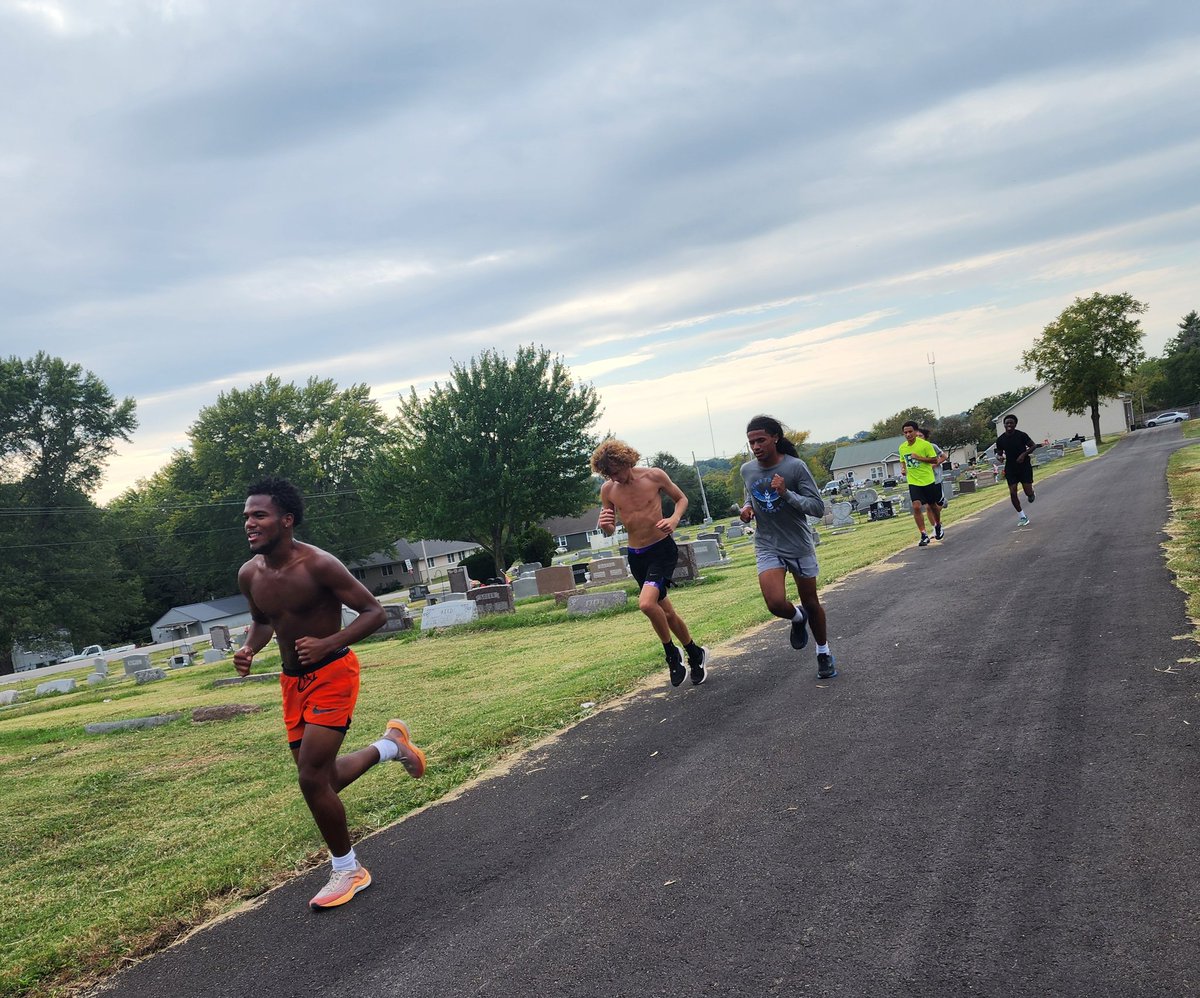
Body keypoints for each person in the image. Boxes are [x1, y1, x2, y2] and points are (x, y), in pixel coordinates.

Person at [234, 477, 427, 911]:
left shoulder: (318, 565)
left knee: (309, 779)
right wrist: (249, 647)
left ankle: (348, 869)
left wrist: (328, 642)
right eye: (246, 516)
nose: (249, 523)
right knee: (326, 779)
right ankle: (391, 746)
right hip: (291, 683)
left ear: (286, 521)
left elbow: (374, 612)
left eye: (258, 515)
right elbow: (264, 622)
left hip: (332, 672)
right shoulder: (249, 574)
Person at [591, 439, 708, 687]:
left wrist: (674, 520)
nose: (614, 477)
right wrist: (605, 526)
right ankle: (695, 652)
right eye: (608, 474)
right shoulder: (608, 490)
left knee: (646, 604)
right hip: (636, 555)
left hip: (661, 549)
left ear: (626, 461)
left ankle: (671, 654)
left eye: (615, 470)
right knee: (665, 611)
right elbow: (610, 529)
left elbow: (681, 499)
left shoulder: (654, 476)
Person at [738, 415, 835, 680]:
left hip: (799, 545)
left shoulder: (795, 467)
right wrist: (747, 509)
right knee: (775, 603)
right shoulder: (747, 470)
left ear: (775, 438)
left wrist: (786, 494)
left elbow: (816, 508)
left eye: (761, 440)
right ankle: (796, 618)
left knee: (811, 602)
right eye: (751, 442)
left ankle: (823, 652)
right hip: (768, 544)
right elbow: (750, 494)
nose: (755, 446)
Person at [898, 420, 944, 546]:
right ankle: (923, 534)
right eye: (905, 432)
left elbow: (934, 459)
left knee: (933, 506)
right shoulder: (902, 447)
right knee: (916, 507)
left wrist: (919, 458)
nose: (908, 435)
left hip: (927, 480)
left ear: (916, 431)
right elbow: (903, 460)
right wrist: (903, 468)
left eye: (910, 432)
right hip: (913, 481)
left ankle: (938, 524)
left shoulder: (925, 445)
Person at [995, 414, 1037, 525]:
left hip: (1024, 466)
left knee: (1028, 493)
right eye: (1007, 423)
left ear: (1015, 424)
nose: (1009, 425)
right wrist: (999, 457)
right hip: (1011, 467)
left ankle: (1031, 492)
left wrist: (1024, 454)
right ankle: (1022, 516)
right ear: (1004, 425)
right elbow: (999, 454)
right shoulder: (1000, 439)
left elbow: (1033, 446)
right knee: (1013, 492)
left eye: (1011, 423)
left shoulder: (1022, 435)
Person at [916, 427, 950, 508]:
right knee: (928, 505)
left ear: (925, 437)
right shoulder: (913, 449)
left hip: (936, 478)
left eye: (920, 436)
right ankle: (934, 521)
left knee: (938, 504)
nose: (918, 438)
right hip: (923, 480)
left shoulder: (932, 446)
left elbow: (944, 457)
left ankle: (942, 503)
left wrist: (933, 465)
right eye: (916, 436)